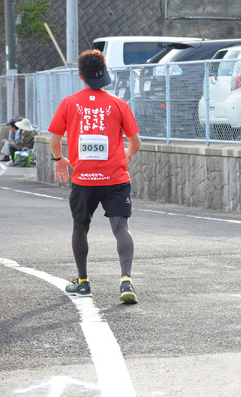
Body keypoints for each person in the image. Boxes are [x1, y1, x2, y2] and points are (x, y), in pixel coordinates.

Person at [48, 49, 142, 303]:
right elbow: (136, 142)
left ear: (80, 76)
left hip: (83, 179)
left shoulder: (69, 104)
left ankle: (83, 281)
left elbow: (54, 140)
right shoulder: (118, 104)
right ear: (105, 74)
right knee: (121, 227)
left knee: (80, 227)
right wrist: (128, 155)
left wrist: (59, 161)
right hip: (116, 178)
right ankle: (126, 280)